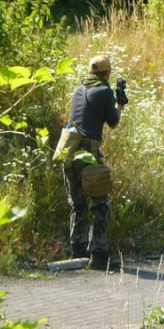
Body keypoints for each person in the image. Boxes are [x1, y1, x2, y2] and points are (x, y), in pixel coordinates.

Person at [62, 55, 125, 270]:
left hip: (67, 149)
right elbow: (113, 123)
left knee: (77, 202)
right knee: (101, 204)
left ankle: (77, 251)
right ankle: (98, 256)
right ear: (107, 73)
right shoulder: (105, 91)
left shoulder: (79, 89)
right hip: (88, 150)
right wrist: (120, 105)